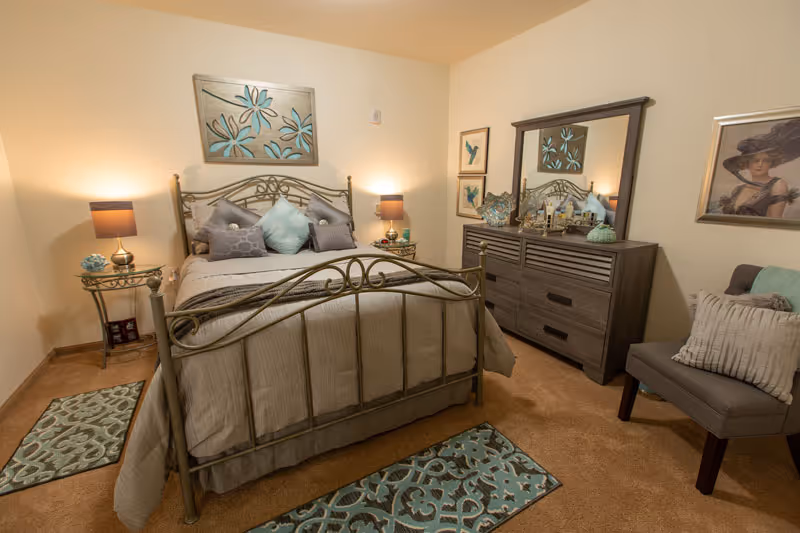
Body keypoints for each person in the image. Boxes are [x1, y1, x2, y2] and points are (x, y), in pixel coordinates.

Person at [718, 119, 800, 217]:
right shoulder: (738, 189)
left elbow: (773, 222)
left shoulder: (778, 185)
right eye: (755, 160)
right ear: (747, 163)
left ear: (771, 163)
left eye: (765, 160)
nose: (760, 164)